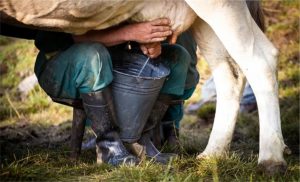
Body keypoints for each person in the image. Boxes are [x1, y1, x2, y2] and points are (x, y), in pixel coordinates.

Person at [33, 18, 196, 166]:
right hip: (62, 64)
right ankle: (108, 148)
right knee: (94, 54)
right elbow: (67, 38)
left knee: (178, 57)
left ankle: (137, 139)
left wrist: (150, 41)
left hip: (112, 60)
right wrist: (131, 32)